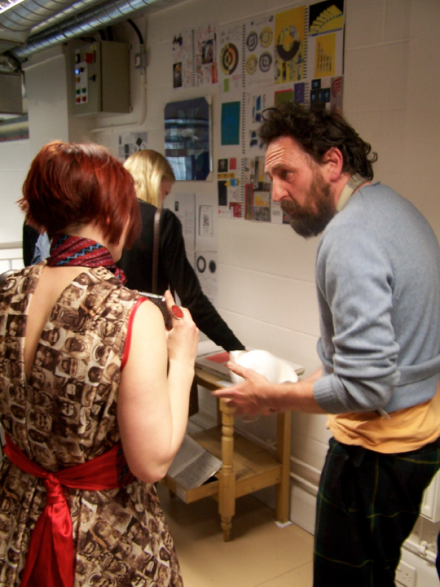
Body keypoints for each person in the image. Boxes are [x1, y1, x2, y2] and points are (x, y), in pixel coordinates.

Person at [213, 102, 440, 586]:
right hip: (419, 437)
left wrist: (273, 397)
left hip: (375, 452)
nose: (277, 192)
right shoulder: (394, 209)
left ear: (332, 162)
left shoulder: (349, 237)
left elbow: (366, 386)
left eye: (286, 174)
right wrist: (287, 389)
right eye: (271, 178)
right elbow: (352, 359)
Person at [0, 140, 199, 586]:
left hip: (17, 514)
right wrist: (183, 360)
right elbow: (152, 463)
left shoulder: (7, 291)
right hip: (99, 533)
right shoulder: (131, 314)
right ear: (114, 215)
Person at [117, 149, 245, 354]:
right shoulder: (162, 221)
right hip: (147, 340)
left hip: (112, 339)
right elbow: (192, 299)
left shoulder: (106, 217)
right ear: (154, 182)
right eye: (165, 193)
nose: (163, 199)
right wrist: (236, 349)